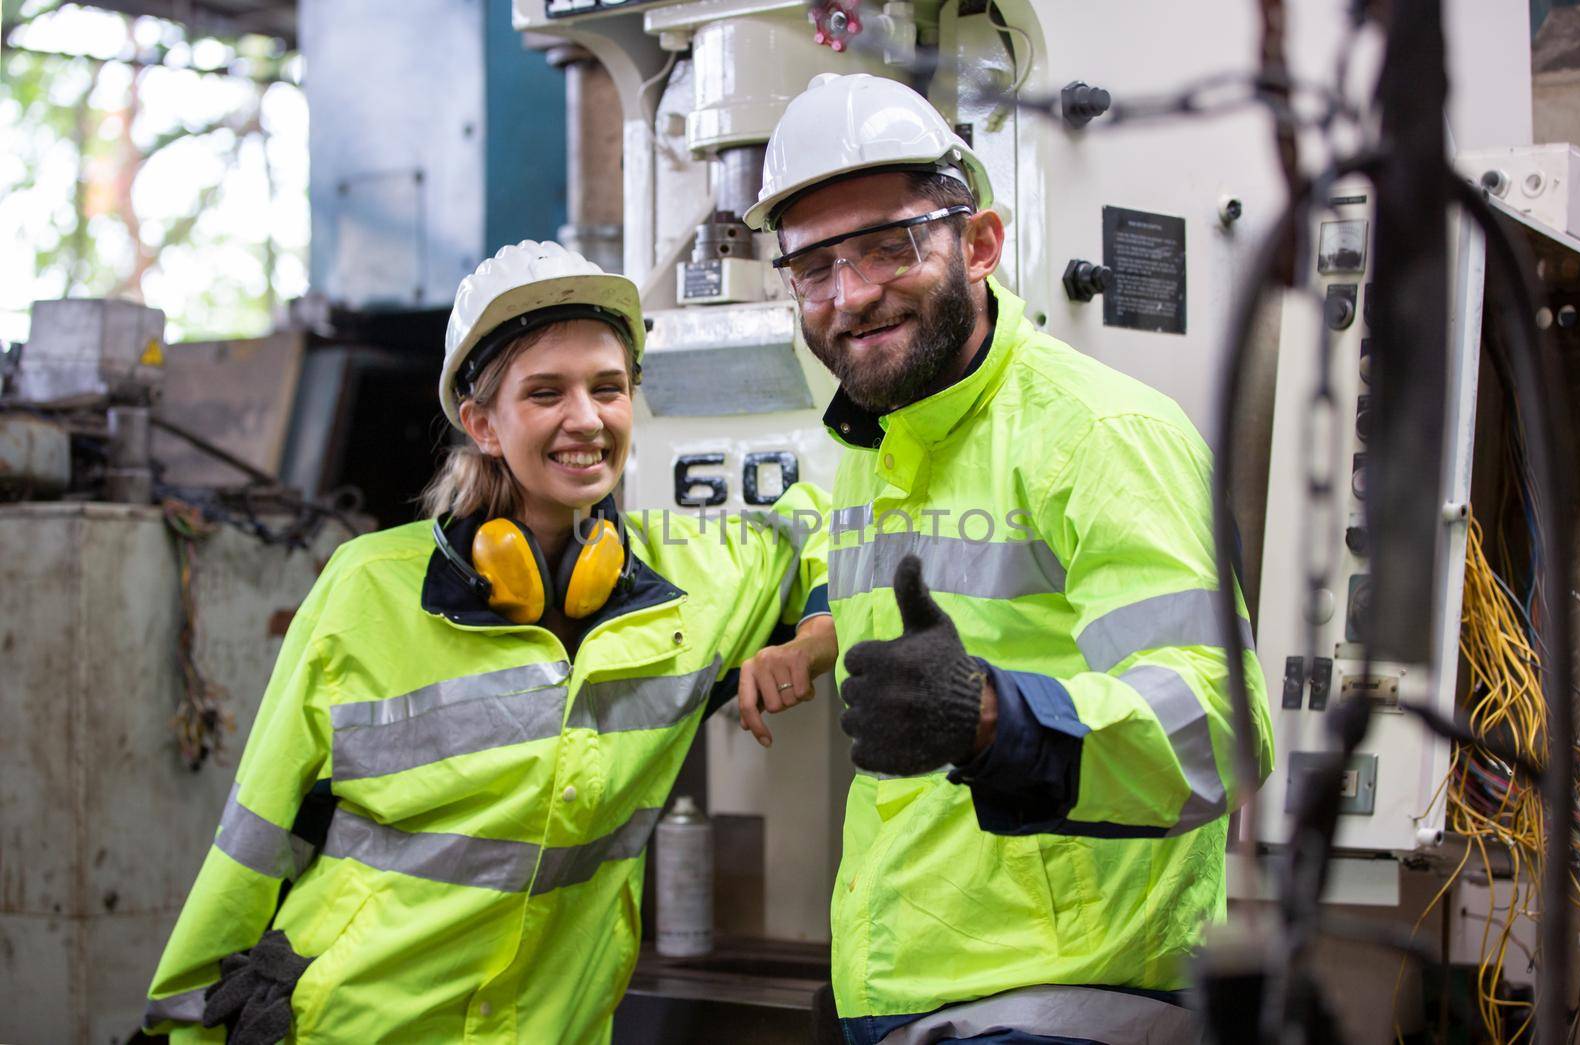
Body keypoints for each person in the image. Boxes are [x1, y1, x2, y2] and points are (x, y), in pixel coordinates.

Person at [142, 241, 836, 1043]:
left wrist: (814, 634)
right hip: (361, 1022)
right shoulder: (366, 588)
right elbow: (253, 838)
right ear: (482, 422)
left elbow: (829, 515)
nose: (585, 417)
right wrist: (183, 1027)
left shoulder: (688, 584)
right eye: (546, 392)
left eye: (606, 388)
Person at [738, 73, 1275, 1045]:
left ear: (978, 243)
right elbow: (818, 539)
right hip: (902, 996)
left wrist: (996, 717)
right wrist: (814, 633)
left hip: (1069, 1003)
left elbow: (1220, 728)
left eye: (888, 247)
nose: (849, 296)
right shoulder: (878, 446)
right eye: (813, 267)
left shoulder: (1103, 435)